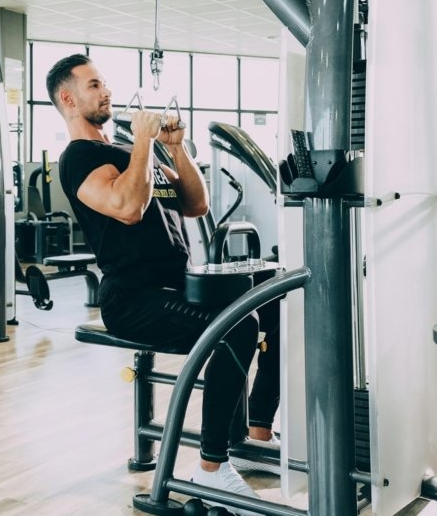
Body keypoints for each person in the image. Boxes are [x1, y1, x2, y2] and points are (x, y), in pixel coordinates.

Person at [46, 53, 278, 503]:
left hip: (177, 285)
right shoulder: (78, 157)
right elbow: (128, 208)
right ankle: (211, 466)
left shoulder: (129, 154)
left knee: (274, 310)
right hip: (132, 299)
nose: (107, 91)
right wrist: (141, 145)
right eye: (95, 85)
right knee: (237, 330)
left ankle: (256, 434)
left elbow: (195, 204)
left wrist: (173, 148)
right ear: (70, 99)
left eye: (105, 83)